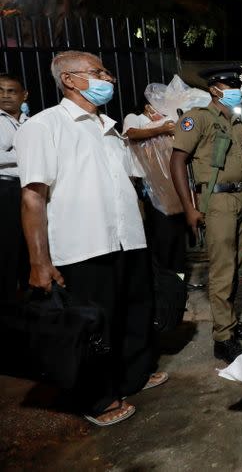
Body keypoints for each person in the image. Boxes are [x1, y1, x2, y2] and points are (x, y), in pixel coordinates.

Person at [15, 50, 167, 427]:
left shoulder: (109, 127)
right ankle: (96, 399)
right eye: (98, 72)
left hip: (126, 240)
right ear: (69, 79)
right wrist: (39, 263)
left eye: (106, 71)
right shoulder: (45, 125)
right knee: (93, 327)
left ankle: (133, 376)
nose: (108, 79)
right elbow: (33, 195)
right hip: (83, 245)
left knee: (133, 313)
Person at [169, 64, 242, 363]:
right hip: (217, 201)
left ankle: (230, 324)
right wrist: (190, 208)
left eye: (237, 84)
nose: (235, 89)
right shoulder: (197, 119)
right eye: (229, 84)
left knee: (236, 267)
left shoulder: (239, 125)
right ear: (214, 89)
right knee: (222, 271)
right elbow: (177, 162)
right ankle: (223, 338)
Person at [123, 105, 186, 278]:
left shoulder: (164, 122)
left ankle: (178, 280)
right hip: (148, 185)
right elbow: (132, 133)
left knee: (177, 231)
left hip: (168, 184)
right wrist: (162, 129)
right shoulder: (134, 118)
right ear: (148, 106)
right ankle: (163, 278)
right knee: (161, 232)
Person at [0, 73, 30, 304]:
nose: (5, 95)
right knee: (7, 251)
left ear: (23, 95)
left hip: (27, 190)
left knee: (27, 251)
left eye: (11, 91)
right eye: (0, 91)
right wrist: (28, 157)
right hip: (5, 190)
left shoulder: (30, 122)